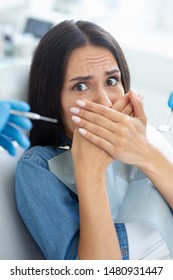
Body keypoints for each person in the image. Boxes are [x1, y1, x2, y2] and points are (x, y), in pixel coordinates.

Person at [15, 20, 173, 260]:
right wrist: (90, 171)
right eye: (80, 86)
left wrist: (146, 153)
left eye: (111, 81)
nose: (106, 103)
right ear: (51, 100)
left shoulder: (146, 138)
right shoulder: (39, 167)